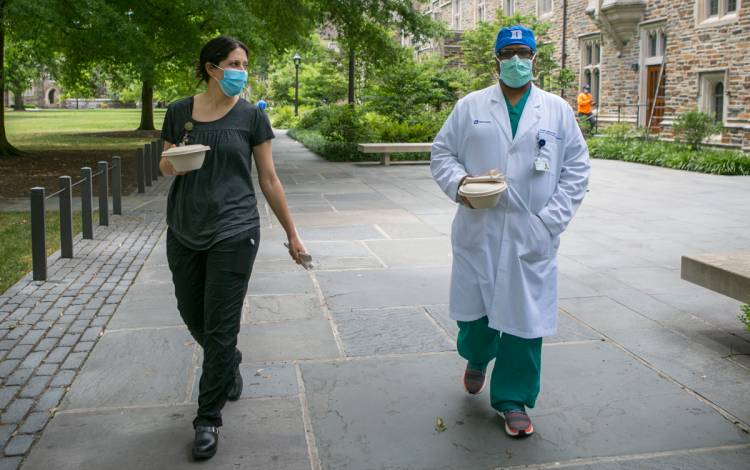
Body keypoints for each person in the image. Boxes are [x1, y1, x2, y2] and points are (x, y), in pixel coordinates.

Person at [431, 25, 590, 438]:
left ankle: (512, 399)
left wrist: (549, 221)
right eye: (509, 53)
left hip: (531, 232)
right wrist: (461, 186)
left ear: (535, 58)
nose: (517, 60)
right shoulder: (470, 106)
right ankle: (477, 356)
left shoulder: (557, 110)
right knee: (477, 321)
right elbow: (442, 154)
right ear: (496, 59)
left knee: (525, 319)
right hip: (479, 224)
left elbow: (577, 169)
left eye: (524, 52)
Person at [159, 35, 306, 460]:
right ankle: (229, 362)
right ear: (211, 67)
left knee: (220, 324)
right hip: (185, 227)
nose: (242, 70)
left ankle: (208, 418)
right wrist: (177, 161)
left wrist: (292, 234)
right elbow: (167, 164)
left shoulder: (251, 116)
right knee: (191, 313)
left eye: (245, 63)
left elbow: (269, 179)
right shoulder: (179, 112)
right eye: (235, 62)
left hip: (236, 230)